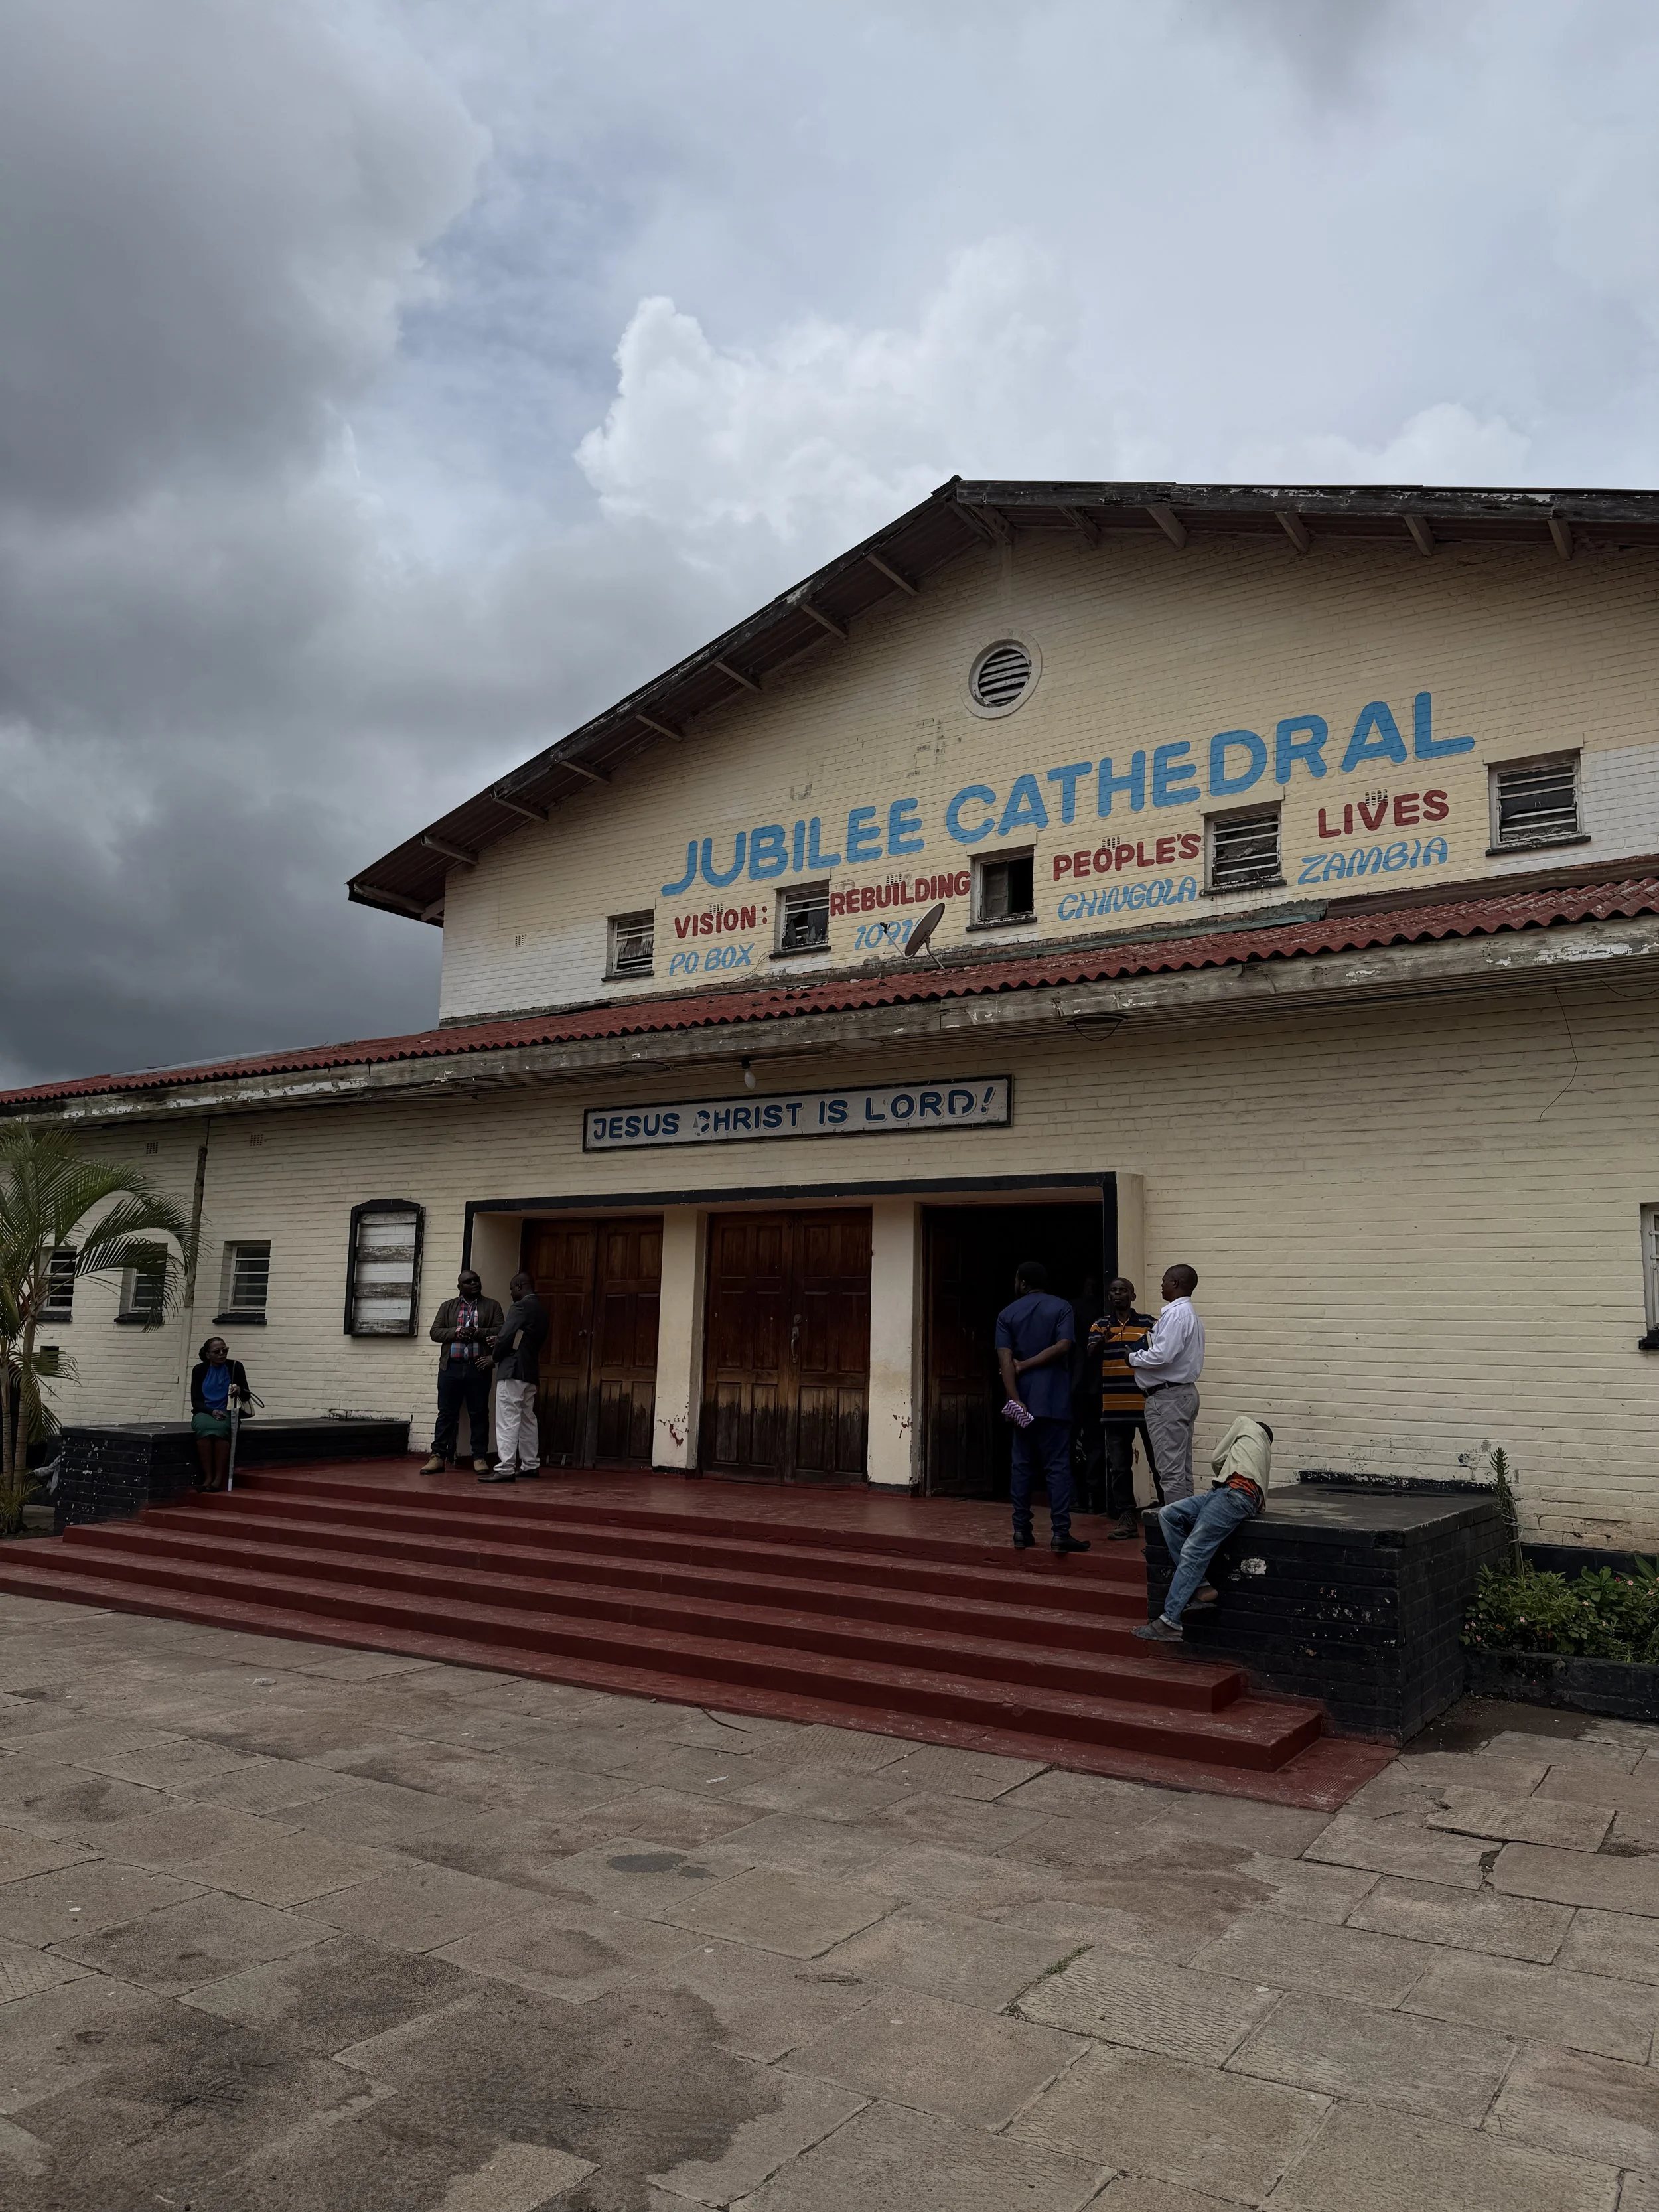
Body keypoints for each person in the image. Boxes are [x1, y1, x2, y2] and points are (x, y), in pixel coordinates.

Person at [1134, 1416, 1273, 1640]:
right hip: (1232, 1496)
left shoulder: (1244, 1423)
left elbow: (1217, 1457)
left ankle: (1170, 1620)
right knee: (1168, 1515)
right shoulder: (1265, 1453)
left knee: (1194, 1549)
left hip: (1230, 1493)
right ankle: (1202, 1587)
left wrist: (1223, 1472)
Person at [995, 1261, 1088, 1555]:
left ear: (1022, 1283)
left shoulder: (1007, 1314)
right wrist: (1030, 1364)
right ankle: (1061, 1533)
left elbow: (1005, 1360)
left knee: (1021, 1466)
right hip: (1054, 1400)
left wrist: (1014, 1398)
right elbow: (1064, 1345)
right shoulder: (1062, 1308)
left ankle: (1021, 1531)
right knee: (1058, 1467)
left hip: (1023, 1400)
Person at [1087, 1277, 1158, 1538]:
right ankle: (1127, 1515)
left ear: (1133, 1296)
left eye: (1124, 1291)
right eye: (1114, 1291)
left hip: (1148, 1405)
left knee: (1158, 1462)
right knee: (1119, 1466)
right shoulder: (1100, 1325)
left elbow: (1161, 1352)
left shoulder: (1149, 1323)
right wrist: (1103, 1341)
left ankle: (1167, 1512)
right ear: (1109, 1297)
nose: (1118, 1295)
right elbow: (1091, 1353)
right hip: (1115, 1407)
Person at [1128, 1264, 1204, 1503]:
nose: (1161, 1285)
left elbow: (1162, 1355)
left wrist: (1132, 1358)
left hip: (1167, 1398)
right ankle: (1187, 1523)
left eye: (1164, 1281)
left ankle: (1175, 1533)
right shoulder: (1192, 1315)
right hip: (1183, 1394)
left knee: (1170, 1471)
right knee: (1182, 1469)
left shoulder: (1175, 1315)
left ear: (1175, 1283)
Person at [421, 1269, 506, 1476]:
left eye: (477, 1280)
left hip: (478, 1367)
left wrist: (478, 1333)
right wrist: (456, 1332)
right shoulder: (448, 1307)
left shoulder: (492, 1305)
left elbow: (502, 1330)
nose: (474, 1283)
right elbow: (435, 1332)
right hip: (451, 1367)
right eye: (469, 1282)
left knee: (479, 1413)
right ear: (460, 1287)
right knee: (446, 1413)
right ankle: (438, 1457)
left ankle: (479, 1457)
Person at [480, 1271, 549, 1483]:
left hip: (512, 1370)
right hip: (529, 1371)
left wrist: (495, 1356)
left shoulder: (520, 1307)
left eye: (511, 1289)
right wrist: (503, 1339)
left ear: (519, 1286)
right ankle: (530, 1465)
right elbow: (521, 1337)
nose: (510, 1293)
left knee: (507, 1418)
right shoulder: (541, 1310)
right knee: (528, 1418)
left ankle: (506, 1467)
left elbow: (508, 1335)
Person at [190, 1335, 252, 1493]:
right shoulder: (199, 1370)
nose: (222, 1354)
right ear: (208, 1354)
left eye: (225, 1350)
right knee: (203, 1432)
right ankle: (208, 1477)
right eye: (217, 1351)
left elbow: (246, 1395)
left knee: (220, 1432)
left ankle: (218, 1479)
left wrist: (239, 1390)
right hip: (206, 1411)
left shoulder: (235, 1367)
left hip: (228, 1410)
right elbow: (196, 1401)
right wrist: (211, 1411)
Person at [1069, 1274, 1105, 1515]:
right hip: (1099, 1385)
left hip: (1073, 1384)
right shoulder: (1104, 1311)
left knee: (1070, 1443)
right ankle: (1095, 1497)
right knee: (1095, 1443)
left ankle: (1076, 1497)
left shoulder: (1070, 1309)